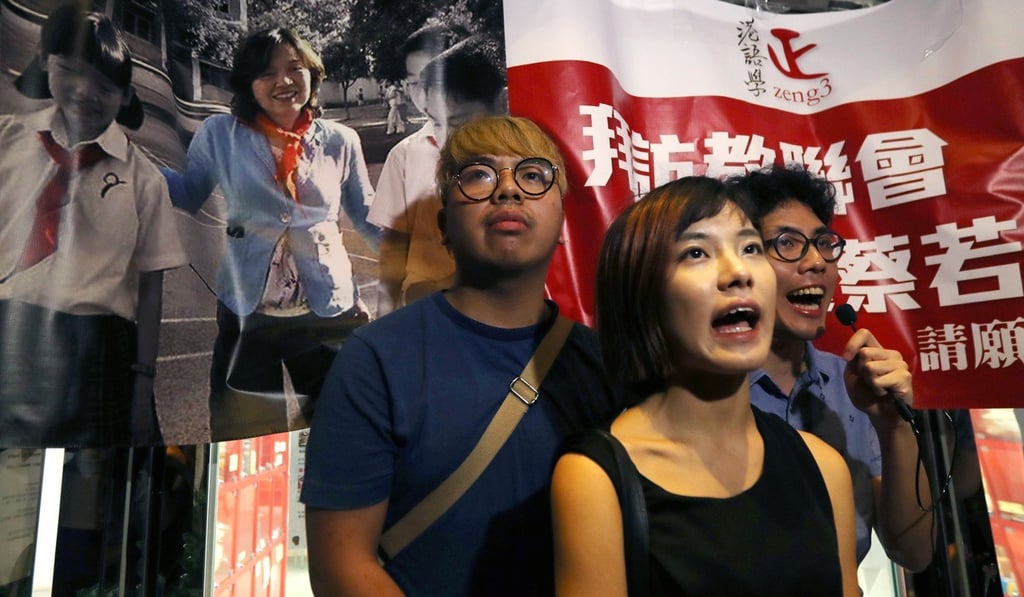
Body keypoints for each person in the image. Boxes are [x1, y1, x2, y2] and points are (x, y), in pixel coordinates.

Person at [301, 115, 627, 596]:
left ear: (561, 221)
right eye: (479, 175)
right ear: (444, 228)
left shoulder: (607, 367)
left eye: (533, 176)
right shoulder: (377, 360)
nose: (508, 191)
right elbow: (341, 567)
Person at [552, 176, 859, 596]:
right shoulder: (596, 477)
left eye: (750, 248)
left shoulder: (823, 467)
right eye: (696, 253)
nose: (738, 273)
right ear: (643, 296)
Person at [162, 28, 378, 440]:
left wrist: (421, 259)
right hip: (247, 314)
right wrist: (129, 163)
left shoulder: (341, 141)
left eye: (294, 69)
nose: (283, 81)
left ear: (312, 74)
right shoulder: (219, 134)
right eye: (267, 72)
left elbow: (367, 217)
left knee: (342, 430)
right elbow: (188, 193)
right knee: (247, 436)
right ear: (247, 82)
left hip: (327, 312)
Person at [728, 165, 934, 571]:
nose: (817, 262)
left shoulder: (852, 386)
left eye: (824, 244)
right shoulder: (707, 387)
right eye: (788, 244)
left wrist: (893, 428)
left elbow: (914, 553)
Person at [0, 5, 186, 447]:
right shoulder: (7, 140)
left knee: (100, 483)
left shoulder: (144, 179)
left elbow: (151, 286)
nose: (86, 91)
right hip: (11, 330)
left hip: (100, 346)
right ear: (46, 63)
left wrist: (144, 383)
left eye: (105, 85)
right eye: (70, 69)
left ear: (124, 98)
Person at [371, 34, 506, 316]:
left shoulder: (535, 170)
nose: (446, 141)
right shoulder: (406, 156)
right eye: (435, 123)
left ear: (503, 103)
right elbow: (394, 246)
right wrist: (384, 320)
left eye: (458, 123)